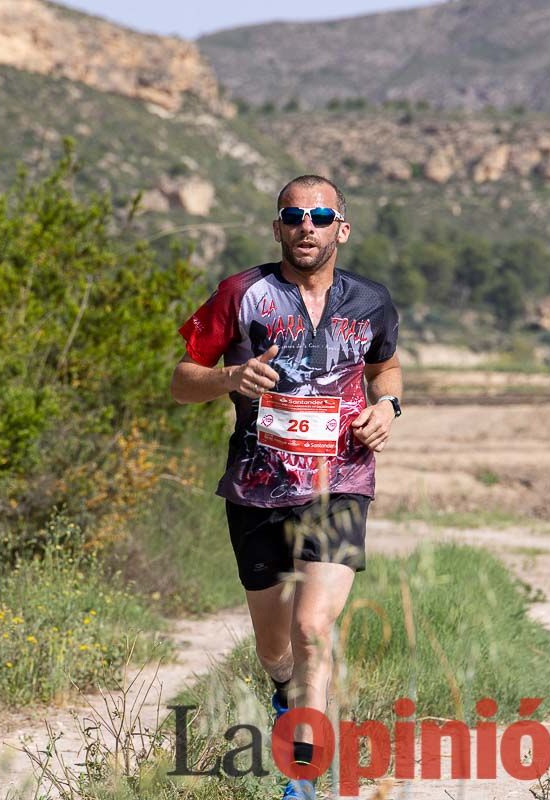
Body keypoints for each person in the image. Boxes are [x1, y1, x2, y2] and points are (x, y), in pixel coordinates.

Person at [170, 174, 403, 799]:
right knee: (276, 646)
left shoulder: (371, 300)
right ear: (277, 227)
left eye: (321, 216)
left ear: (341, 229)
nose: (308, 226)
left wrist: (390, 408)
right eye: (294, 216)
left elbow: (386, 367)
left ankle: (303, 783)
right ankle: (284, 693)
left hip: (341, 480)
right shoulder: (241, 294)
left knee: (311, 629)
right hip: (256, 489)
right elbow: (181, 378)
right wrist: (227, 380)